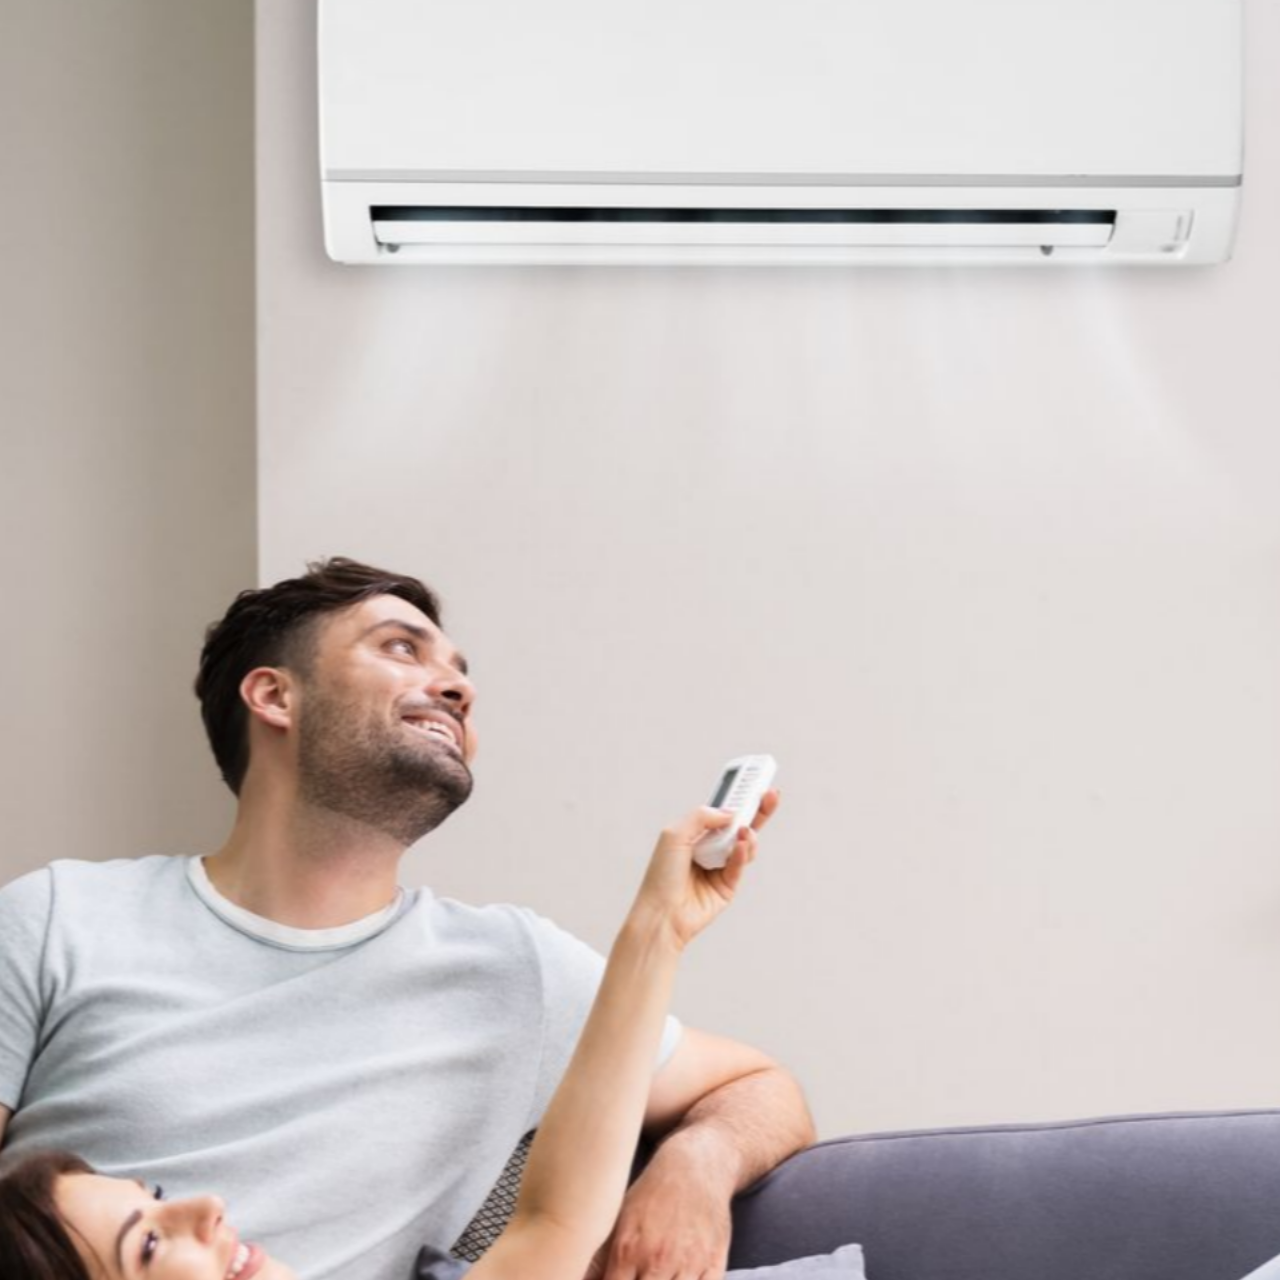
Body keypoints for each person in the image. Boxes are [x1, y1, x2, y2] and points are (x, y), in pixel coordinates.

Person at [0, 558, 814, 1280]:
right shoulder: (56, 918)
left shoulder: (515, 970)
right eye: (400, 648)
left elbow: (753, 1092)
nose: (458, 688)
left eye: (459, 672)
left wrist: (696, 1163)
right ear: (274, 694)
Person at [0, 804, 779, 1280]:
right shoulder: (57, 915)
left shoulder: (511, 962)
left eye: (158, 1201)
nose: (206, 1207)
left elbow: (553, 1221)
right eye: (146, 1247)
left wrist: (660, 926)